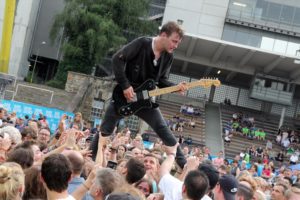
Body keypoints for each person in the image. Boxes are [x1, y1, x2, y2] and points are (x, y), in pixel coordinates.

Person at [90, 21, 187, 169]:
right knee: (105, 130)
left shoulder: (168, 56)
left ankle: (186, 167)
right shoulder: (142, 43)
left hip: (145, 100)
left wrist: (175, 87)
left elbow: (161, 81)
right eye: (174, 41)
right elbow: (117, 58)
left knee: (162, 128)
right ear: (163, 35)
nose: (175, 46)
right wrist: (125, 85)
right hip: (125, 96)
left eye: (178, 43)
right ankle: (87, 160)